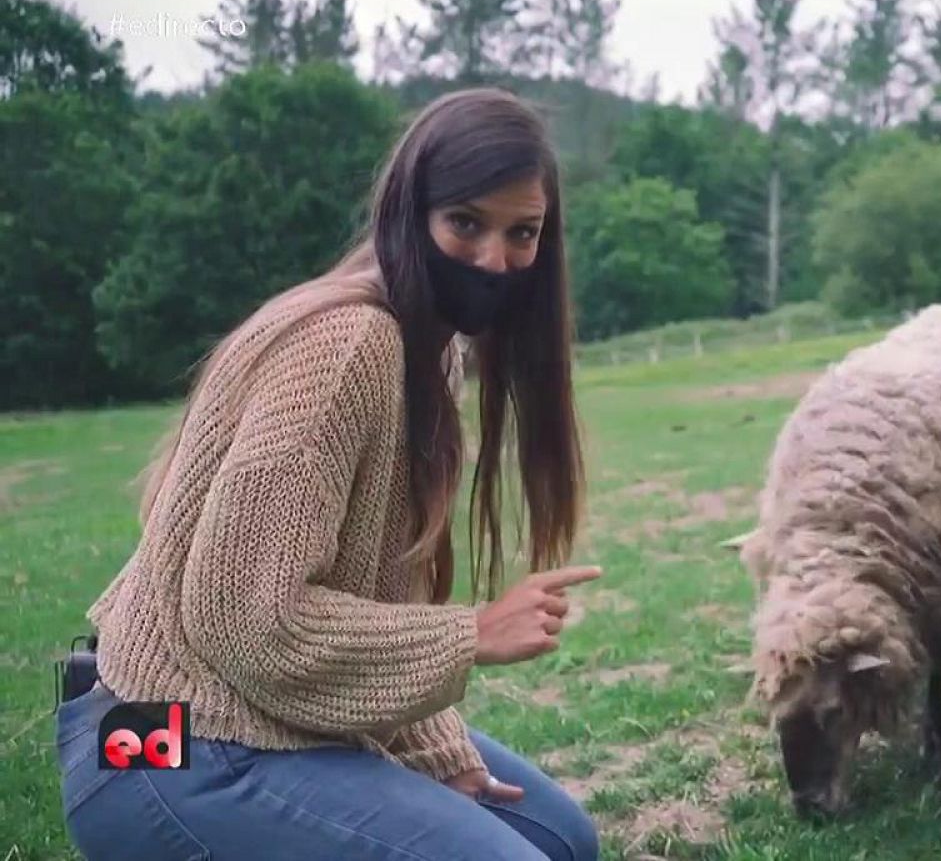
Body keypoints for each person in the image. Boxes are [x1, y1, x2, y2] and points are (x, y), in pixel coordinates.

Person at [54, 88, 604, 861]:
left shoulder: (426, 355)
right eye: (466, 223)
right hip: (153, 741)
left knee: (563, 840)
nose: (494, 259)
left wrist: (434, 752)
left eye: (524, 233)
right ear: (409, 214)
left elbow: (366, 597)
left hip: (277, 723)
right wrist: (471, 632)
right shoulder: (347, 346)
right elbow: (247, 621)